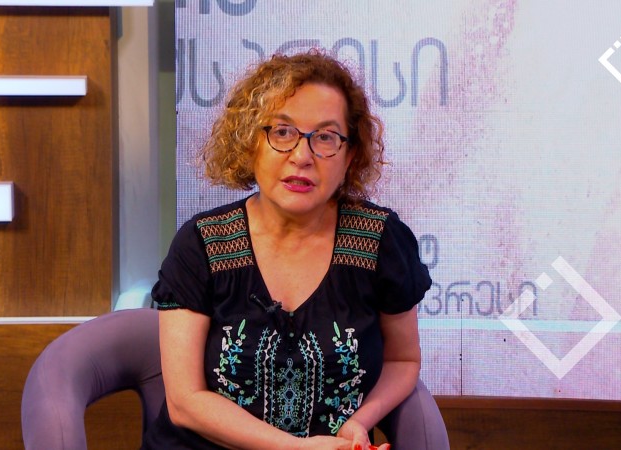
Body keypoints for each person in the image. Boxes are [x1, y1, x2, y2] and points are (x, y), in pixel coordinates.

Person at [144, 49, 431, 450]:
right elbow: (185, 402)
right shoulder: (203, 243)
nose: (302, 157)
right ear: (251, 143)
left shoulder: (381, 240)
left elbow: (403, 360)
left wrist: (357, 424)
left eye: (326, 138)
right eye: (282, 132)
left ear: (350, 155)